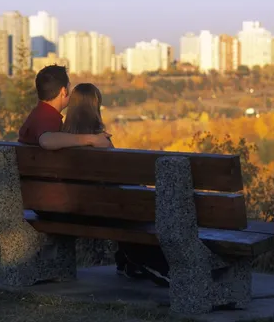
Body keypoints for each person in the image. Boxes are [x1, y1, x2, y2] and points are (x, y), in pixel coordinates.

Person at [61, 82, 170, 287]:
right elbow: (120, 178)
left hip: (67, 210)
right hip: (99, 212)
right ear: (96, 108)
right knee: (130, 204)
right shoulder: (100, 142)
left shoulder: (60, 137)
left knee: (120, 203)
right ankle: (156, 266)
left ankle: (127, 261)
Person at [18, 65, 111, 149]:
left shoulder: (39, 113)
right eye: (69, 87)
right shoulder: (45, 116)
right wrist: (92, 139)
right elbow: (46, 141)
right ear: (63, 91)